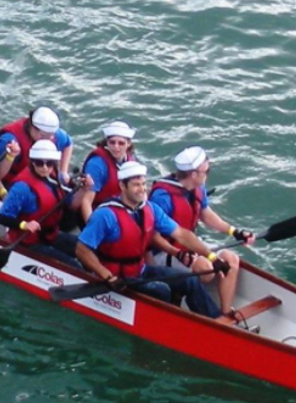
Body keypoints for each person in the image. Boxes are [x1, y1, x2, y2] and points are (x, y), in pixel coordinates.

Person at [75, 161, 221, 318]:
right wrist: (107, 276)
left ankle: (216, 321)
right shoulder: (105, 215)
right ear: (123, 186)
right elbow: (82, 250)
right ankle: (168, 324)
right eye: (136, 185)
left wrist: (211, 257)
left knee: (189, 281)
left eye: (144, 184)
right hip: (118, 278)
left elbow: (181, 234)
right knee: (161, 290)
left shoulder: (150, 209)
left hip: (140, 271)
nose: (142, 189)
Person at [148, 146, 256, 317]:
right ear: (193, 174)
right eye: (206, 171)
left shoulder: (198, 188)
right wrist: (178, 254)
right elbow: (151, 236)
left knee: (231, 259)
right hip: (163, 252)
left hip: (189, 245)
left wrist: (234, 232)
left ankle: (226, 314)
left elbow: (206, 214)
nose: (208, 174)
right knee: (205, 268)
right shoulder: (162, 197)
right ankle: (181, 292)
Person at [0, 139, 89, 267]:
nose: (45, 168)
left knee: (88, 249)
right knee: (74, 266)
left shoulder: (54, 178)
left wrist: (84, 189)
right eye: (39, 163)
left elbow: (71, 205)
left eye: (49, 164)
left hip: (50, 234)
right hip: (28, 241)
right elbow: (2, 217)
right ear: (32, 163)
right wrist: (25, 225)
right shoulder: (21, 188)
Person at [0, 107, 75, 186]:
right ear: (33, 128)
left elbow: (68, 143)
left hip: (41, 177)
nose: (48, 140)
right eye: (43, 136)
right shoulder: (9, 141)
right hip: (13, 182)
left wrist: (63, 171)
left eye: (51, 136)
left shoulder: (50, 133)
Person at [78, 121, 138, 222]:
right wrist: (92, 229)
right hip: (99, 213)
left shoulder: (131, 160)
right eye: (112, 142)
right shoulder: (97, 165)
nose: (116, 147)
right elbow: (86, 202)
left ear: (129, 144)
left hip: (120, 210)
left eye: (121, 143)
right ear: (107, 142)